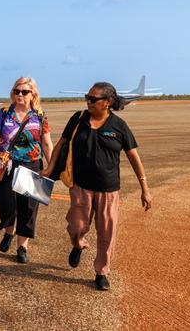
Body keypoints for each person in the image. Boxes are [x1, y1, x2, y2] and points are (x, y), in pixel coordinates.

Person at [41, 82, 152, 291]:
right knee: (76, 226)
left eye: (93, 99)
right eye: (87, 97)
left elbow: (134, 157)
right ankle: (78, 244)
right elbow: (61, 144)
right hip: (81, 186)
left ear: (107, 102)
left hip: (108, 189)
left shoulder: (119, 126)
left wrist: (145, 188)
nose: (88, 102)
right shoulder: (78, 119)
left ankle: (101, 272)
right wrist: (49, 169)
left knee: (106, 232)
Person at [0, 77, 53, 263]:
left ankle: (22, 247)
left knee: (28, 208)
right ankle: (9, 232)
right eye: (16, 91)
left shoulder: (40, 115)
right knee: (6, 204)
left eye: (24, 92)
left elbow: (47, 143)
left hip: (31, 164)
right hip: (6, 165)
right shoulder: (5, 113)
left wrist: (52, 167)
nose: (19, 94)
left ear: (33, 94)